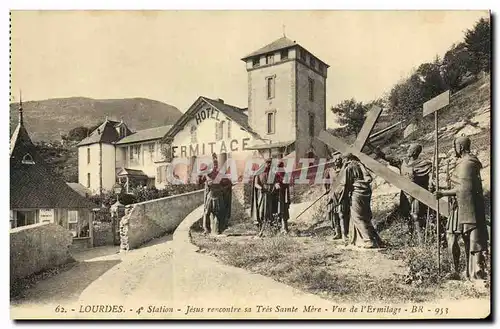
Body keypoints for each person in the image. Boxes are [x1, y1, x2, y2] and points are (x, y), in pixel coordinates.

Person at [435, 136, 488, 281]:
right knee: (454, 236)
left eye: (455, 146)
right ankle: (456, 270)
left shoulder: (467, 163)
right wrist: (444, 188)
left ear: (460, 147)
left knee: (464, 237)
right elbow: (460, 186)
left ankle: (468, 271)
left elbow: (464, 189)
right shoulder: (465, 162)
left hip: (465, 206)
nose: (454, 149)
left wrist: (443, 193)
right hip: (458, 205)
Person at [375, 143, 433, 244]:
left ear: (415, 152)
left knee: (416, 216)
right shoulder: (403, 162)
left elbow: (431, 173)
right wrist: (379, 153)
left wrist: (431, 181)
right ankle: (411, 236)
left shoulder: (424, 164)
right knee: (406, 215)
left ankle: (421, 241)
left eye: (410, 149)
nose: (407, 150)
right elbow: (388, 158)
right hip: (405, 194)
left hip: (417, 194)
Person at [334, 153, 383, 249]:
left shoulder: (349, 167)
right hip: (366, 192)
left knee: (357, 217)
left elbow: (344, 184)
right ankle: (374, 240)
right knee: (365, 217)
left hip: (356, 193)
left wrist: (339, 196)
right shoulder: (360, 165)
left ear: (347, 159)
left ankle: (368, 240)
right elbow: (369, 178)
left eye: (343, 160)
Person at [324, 155, 349, 241]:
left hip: (342, 194)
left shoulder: (344, 170)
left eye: (338, 159)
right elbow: (326, 183)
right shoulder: (330, 171)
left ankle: (344, 234)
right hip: (332, 195)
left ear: (341, 161)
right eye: (335, 160)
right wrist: (327, 190)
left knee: (342, 214)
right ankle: (337, 233)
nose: (336, 161)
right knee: (334, 215)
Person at [252, 158, 279, 236]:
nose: (269, 165)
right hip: (262, 195)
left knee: (269, 212)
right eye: (268, 163)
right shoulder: (259, 173)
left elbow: (275, 182)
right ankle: (261, 230)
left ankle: (269, 230)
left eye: (270, 163)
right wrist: (261, 188)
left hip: (270, 194)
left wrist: (276, 185)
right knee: (261, 212)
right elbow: (256, 184)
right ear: (265, 163)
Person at [276, 160, 291, 234]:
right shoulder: (276, 175)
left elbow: (286, 183)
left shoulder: (285, 174)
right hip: (278, 196)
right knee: (279, 212)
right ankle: (280, 228)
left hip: (283, 195)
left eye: (280, 167)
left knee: (283, 211)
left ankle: (284, 228)